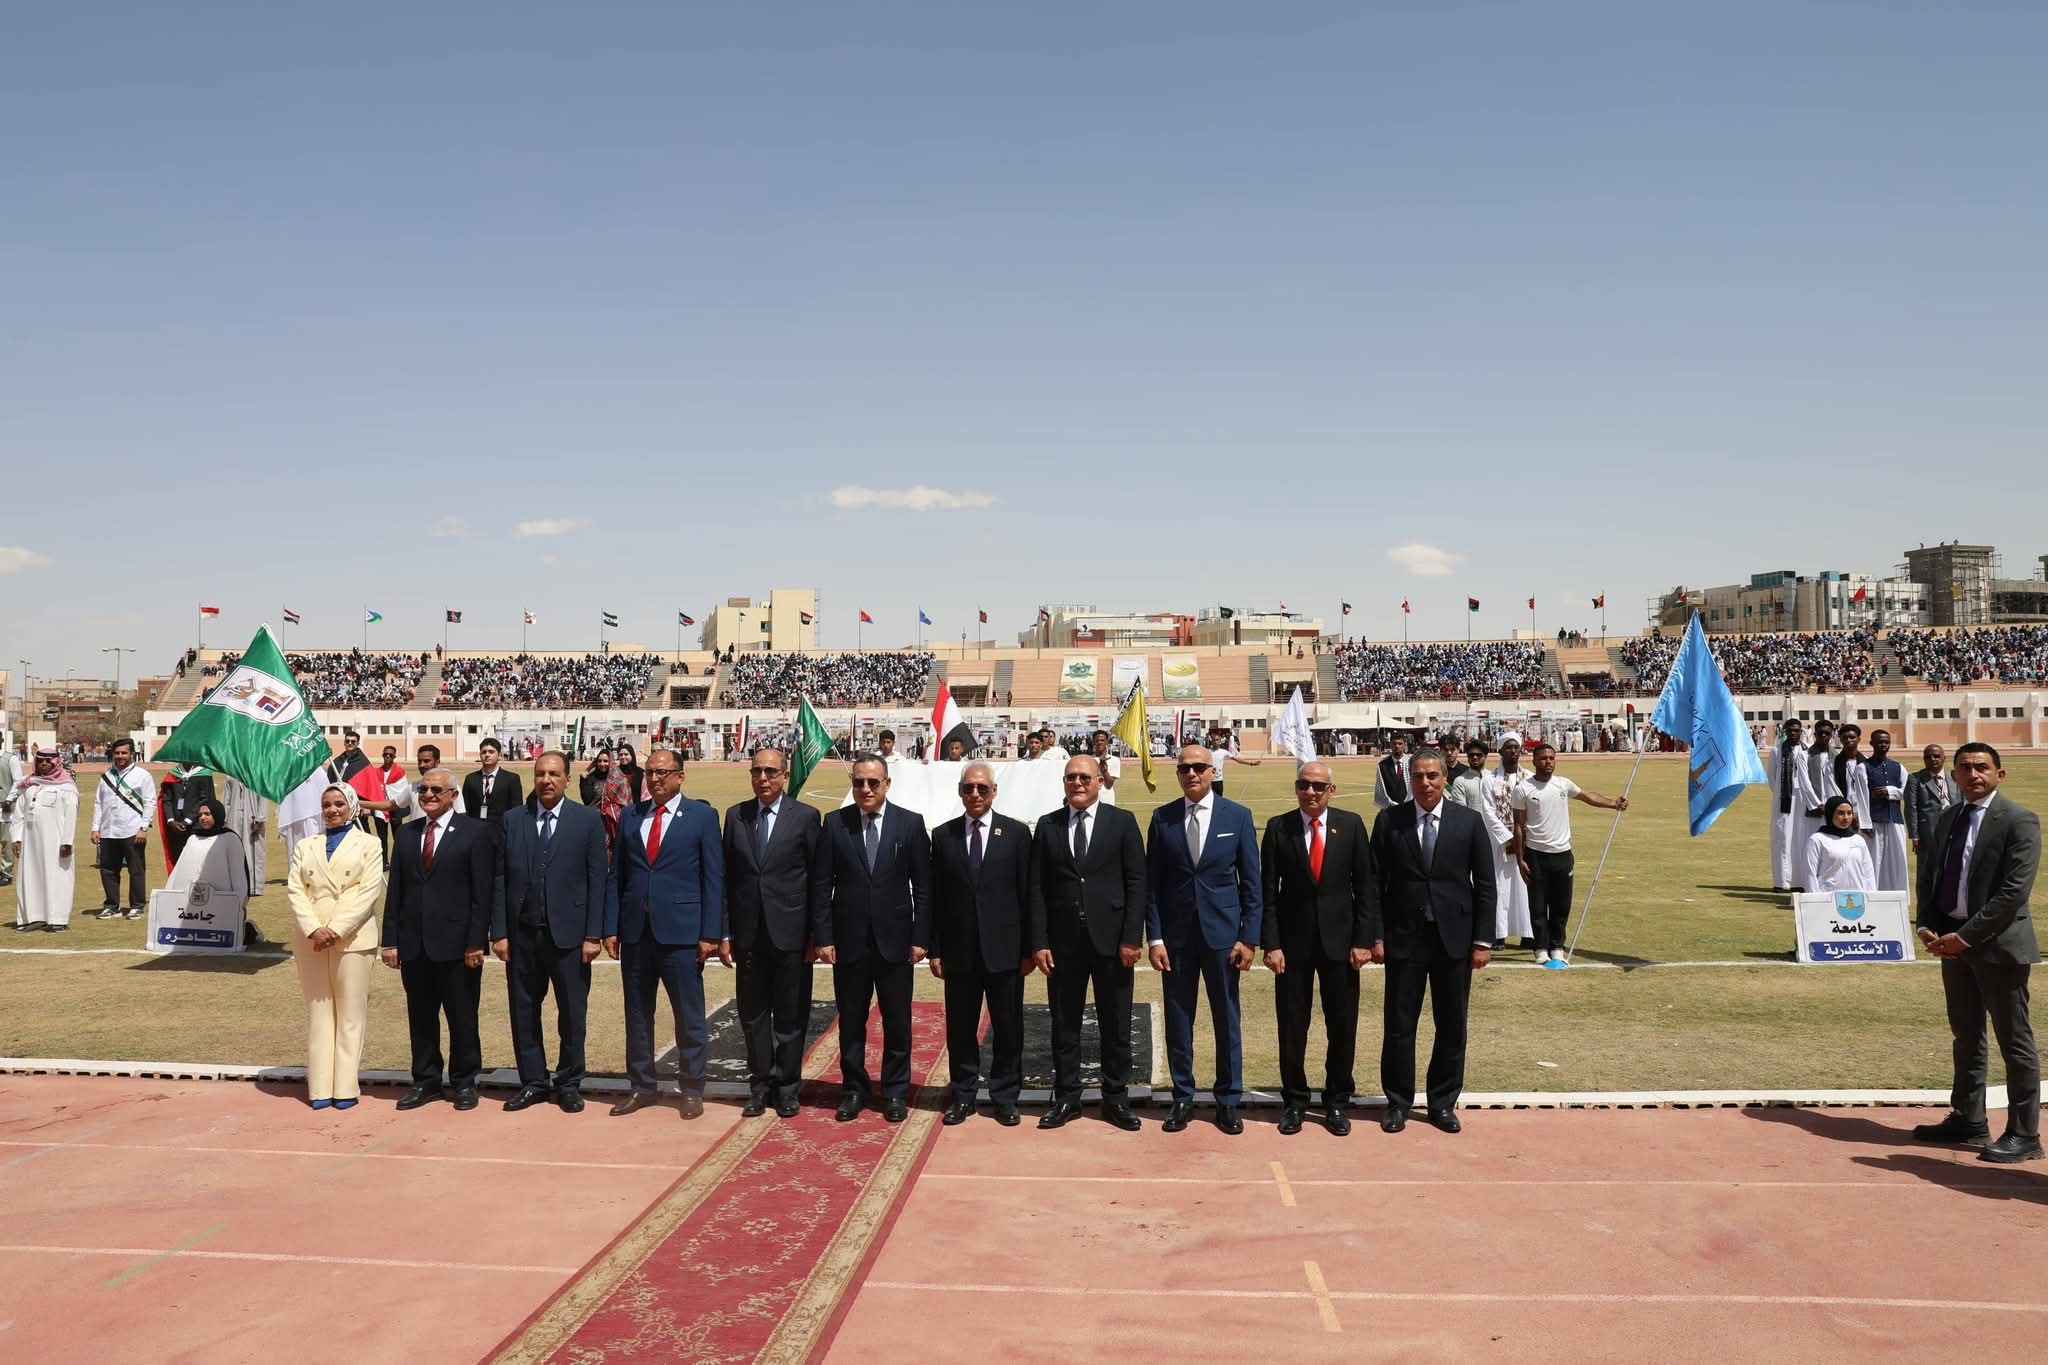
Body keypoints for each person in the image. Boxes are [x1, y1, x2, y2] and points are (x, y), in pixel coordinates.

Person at [1913, 742, 2042, 1163]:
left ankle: (2025, 1134)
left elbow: (2012, 893)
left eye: (1982, 767)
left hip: (1998, 947)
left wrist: (1965, 937)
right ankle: (1968, 1118)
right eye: (1965, 768)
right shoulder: (1948, 817)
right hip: (1953, 946)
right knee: (1966, 1035)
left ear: (1999, 774)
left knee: (2014, 1040)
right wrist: (1926, 924)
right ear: (1954, 776)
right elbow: (1932, 876)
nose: (1973, 775)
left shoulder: (2019, 820)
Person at [1373, 748, 1496, 1134]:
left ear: (1445, 778)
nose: (1425, 783)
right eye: (1418, 776)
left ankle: (1442, 1102)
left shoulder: (1468, 821)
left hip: (1454, 940)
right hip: (1403, 939)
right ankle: (1398, 1102)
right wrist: (1375, 935)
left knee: (1452, 1024)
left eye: (1432, 776)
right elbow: (1374, 884)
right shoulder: (1389, 821)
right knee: (1399, 1025)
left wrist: (1483, 941)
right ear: (1409, 779)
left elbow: (1486, 885)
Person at [1146, 744, 1262, 1135]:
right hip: (1176, 939)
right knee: (1179, 1019)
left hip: (1223, 937)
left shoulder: (1238, 816)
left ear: (1213, 771)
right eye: (1184, 768)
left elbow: (1252, 883)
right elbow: (1153, 886)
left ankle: (1228, 1100)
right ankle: (1182, 1096)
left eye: (1199, 767)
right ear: (1178, 774)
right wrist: (1155, 938)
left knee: (1226, 1019)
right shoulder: (1162, 818)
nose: (1192, 774)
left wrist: (1249, 938)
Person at [1260, 760, 1377, 1136]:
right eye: (1303, 785)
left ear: (1332, 790)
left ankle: (1337, 1100)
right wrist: (1271, 944)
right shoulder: (1278, 828)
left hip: (1341, 945)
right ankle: (1295, 1100)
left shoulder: (1351, 825)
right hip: (1292, 946)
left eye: (1317, 786)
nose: (1310, 792)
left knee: (1342, 1025)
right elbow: (1268, 893)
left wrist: (1364, 941)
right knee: (1293, 1026)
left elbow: (1366, 887)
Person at [606, 748, 725, 1119]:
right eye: (650, 773)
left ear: (680, 776)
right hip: (636, 933)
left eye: (663, 772)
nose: (655, 779)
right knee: (638, 1014)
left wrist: (710, 933)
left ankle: (691, 1089)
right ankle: (642, 1086)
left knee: (689, 1015)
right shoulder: (631, 815)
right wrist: (610, 927)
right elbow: (617, 876)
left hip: (682, 934)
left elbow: (713, 878)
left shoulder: (702, 816)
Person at [812, 756, 932, 1123]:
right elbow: (821, 886)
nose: (865, 789)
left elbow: (924, 888)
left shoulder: (910, 824)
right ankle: (854, 1089)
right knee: (851, 1021)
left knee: (897, 1021)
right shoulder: (835, 823)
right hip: (849, 942)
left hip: (896, 942)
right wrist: (824, 937)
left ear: (887, 784)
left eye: (873, 782)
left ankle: (894, 1091)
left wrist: (920, 937)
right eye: (859, 782)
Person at [1033, 754, 1147, 1131]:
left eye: (1085, 777)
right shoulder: (1048, 826)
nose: (1078, 783)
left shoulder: (1122, 822)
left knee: (1115, 1023)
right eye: (1071, 777)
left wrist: (1131, 937)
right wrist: (1040, 941)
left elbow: (1137, 882)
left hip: (1112, 943)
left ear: (1100, 781)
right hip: (1063, 944)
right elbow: (1037, 888)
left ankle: (1116, 1097)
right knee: (1064, 1024)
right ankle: (1067, 1097)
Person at [492, 752, 609, 1114]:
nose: (547, 780)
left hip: (570, 937)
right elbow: (500, 878)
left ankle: (569, 1082)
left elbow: (597, 880)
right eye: (541, 773)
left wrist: (593, 935)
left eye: (554, 774)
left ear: (568, 779)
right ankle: (533, 1082)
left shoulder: (587, 820)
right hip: (522, 935)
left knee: (572, 1013)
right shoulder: (514, 819)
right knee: (524, 1011)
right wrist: (499, 932)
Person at [930, 762, 1039, 1127]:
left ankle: (1005, 1096)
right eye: (968, 788)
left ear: (994, 791)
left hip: (1005, 950)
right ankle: (963, 1095)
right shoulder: (943, 835)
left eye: (981, 788)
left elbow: (1028, 894)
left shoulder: (1016, 834)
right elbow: (936, 898)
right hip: (959, 951)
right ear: (960, 792)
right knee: (960, 1028)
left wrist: (1029, 948)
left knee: (1008, 1026)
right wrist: (936, 949)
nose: (975, 794)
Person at [722, 748, 826, 1119]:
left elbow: (817, 880)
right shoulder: (736, 816)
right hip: (748, 934)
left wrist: (816, 934)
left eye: (770, 771)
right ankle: (760, 1086)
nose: (762, 778)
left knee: (791, 1017)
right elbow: (727, 879)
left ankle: (787, 1088)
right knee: (752, 1016)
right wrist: (725, 932)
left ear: (784, 776)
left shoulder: (806, 817)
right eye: (756, 771)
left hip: (792, 934)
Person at [382, 768, 494, 1112]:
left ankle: (464, 1081)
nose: (428, 795)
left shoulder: (476, 832)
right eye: (424, 790)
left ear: (453, 795)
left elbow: (482, 893)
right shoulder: (406, 834)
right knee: (421, 1018)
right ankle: (426, 1081)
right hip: (414, 945)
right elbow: (396, 891)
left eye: (436, 790)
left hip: (458, 946)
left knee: (462, 1018)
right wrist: (391, 941)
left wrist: (476, 941)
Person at [286, 783, 384, 1109]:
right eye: (327, 804)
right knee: (319, 1013)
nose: (332, 810)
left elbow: (369, 892)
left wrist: (336, 929)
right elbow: (296, 890)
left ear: (351, 806)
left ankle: (344, 1088)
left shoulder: (369, 843)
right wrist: (314, 929)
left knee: (351, 1015)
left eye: (339, 804)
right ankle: (319, 1088)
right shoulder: (306, 845)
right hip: (310, 939)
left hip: (353, 939)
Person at [1510, 742, 1629, 966]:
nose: (1548, 762)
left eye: (1551, 758)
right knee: (1537, 905)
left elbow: (1587, 796)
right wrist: (1520, 858)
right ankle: (1540, 948)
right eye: (1543, 758)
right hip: (1536, 854)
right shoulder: (1523, 789)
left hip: (1562, 854)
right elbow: (1518, 826)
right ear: (1534, 761)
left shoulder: (1563, 784)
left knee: (1561, 905)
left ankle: (1557, 947)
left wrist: (1613, 803)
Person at [164, 799, 251, 942]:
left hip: (220, 904)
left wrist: (240, 901)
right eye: (200, 815)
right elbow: (179, 869)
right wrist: (168, 896)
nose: (202, 818)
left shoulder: (230, 838)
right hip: (191, 907)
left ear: (217, 814)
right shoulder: (193, 838)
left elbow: (238, 873)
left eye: (207, 814)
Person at [11, 747, 78, 932]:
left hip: (56, 843)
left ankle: (58, 919)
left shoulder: (66, 787)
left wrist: (67, 842)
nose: (44, 764)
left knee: (57, 877)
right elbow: (19, 815)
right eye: (40, 760)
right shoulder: (29, 786)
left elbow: (71, 815)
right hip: (30, 844)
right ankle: (33, 917)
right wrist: (16, 838)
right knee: (30, 877)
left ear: (56, 762)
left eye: (48, 761)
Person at [91, 737, 156, 920]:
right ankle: (112, 906)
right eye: (117, 753)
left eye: (124, 753)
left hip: (132, 830)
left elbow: (150, 803)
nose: (120, 756)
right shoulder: (107, 776)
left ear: (132, 754)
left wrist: (144, 827)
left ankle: (137, 906)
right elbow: (98, 803)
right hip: (108, 830)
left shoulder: (142, 775)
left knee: (136, 870)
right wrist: (95, 828)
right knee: (108, 870)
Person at [1766, 720, 1818, 892]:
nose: (1793, 733)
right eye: (1790, 731)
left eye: (1796, 730)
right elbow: (1772, 779)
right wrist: (1782, 792)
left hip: (1804, 799)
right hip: (1783, 799)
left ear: (1801, 731)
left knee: (1802, 837)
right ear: (1785, 732)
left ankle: (1800, 881)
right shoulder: (1776, 751)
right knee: (1782, 838)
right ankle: (1782, 882)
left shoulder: (1808, 750)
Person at [1863, 730, 1909, 892]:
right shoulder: (1863, 767)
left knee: (1898, 860)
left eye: (1886, 742)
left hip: (1895, 820)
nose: (1883, 745)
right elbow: (1860, 796)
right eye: (1879, 742)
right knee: (1873, 861)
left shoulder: (1898, 767)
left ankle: (1899, 897)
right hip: (1873, 822)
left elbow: (1907, 791)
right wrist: (1865, 823)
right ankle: (1872, 895)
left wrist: (1889, 791)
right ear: (1872, 743)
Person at [1805, 797, 1877, 893]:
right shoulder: (1817, 840)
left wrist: (1871, 897)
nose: (1846, 818)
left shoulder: (1859, 840)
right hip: (1829, 898)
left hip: (1858, 899)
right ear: (1830, 814)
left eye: (1849, 813)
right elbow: (1810, 874)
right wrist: (1814, 899)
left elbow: (1868, 873)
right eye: (1841, 813)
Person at [219, 774, 270, 901]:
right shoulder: (230, 775)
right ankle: (234, 885)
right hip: (233, 817)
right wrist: (223, 818)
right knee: (234, 851)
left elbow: (263, 798)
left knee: (252, 851)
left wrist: (260, 819)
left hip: (252, 817)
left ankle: (254, 887)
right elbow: (226, 800)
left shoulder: (257, 774)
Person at [157, 763, 216, 872]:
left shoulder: (204, 774)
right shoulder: (173, 774)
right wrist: (171, 820)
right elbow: (167, 799)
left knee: (197, 861)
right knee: (177, 860)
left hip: (197, 825)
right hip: (175, 827)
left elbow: (205, 799)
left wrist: (188, 820)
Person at [1905, 743, 1960, 858]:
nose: (1932, 759)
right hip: (1927, 832)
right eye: (1928, 757)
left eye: (1936, 756)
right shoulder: (1915, 778)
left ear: (1944, 758)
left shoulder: (1955, 776)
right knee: (1927, 865)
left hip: (1954, 828)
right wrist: (1915, 836)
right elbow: (1911, 808)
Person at [462, 738, 524, 830]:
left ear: (499, 755)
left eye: (491, 752)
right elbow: (466, 808)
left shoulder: (512, 779)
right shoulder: (470, 779)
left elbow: (516, 810)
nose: (487, 755)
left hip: (501, 831)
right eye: (484, 752)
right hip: (475, 831)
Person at [1372, 734, 1409, 810]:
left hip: (1409, 807)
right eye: (1394, 743)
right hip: (1389, 808)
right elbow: (1380, 789)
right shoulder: (1382, 765)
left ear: (1404, 745)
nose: (1397, 746)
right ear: (1390, 745)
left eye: (1400, 744)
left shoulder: (1412, 763)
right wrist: (1391, 804)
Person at [0, 744, 19, 887]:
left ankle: (6, 873)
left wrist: (9, 799)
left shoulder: (10, 759)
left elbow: (18, 781)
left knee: (5, 841)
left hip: (4, 807)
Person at [1091, 729, 1122, 806]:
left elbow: (1109, 785)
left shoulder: (1114, 760)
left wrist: (1104, 769)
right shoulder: (1088, 760)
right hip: (1091, 801)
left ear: (1107, 742)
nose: (1099, 742)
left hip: (1107, 801)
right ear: (1093, 742)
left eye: (1102, 740)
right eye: (1097, 740)